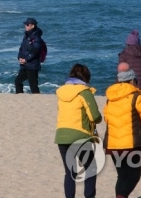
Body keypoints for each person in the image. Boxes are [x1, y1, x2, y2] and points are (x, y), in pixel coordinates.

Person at [103, 65, 141, 198]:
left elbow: (106, 118)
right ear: (132, 80)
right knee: (134, 175)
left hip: (113, 143)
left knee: (122, 175)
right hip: (130, 143)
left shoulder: (110, 98)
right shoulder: (136, 96)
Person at [55, 63, 102, 198]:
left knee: (70, 171)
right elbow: (95, 116)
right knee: (90, 168)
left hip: (62, 135)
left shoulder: (61, 92)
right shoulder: (84, 92)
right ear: (86, 77)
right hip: (80, 136)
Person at [14, 17, 44, 94]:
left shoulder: (36, 37)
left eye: (27, 24)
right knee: (18, 81)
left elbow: (35, 51)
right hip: (24, 65)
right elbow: (21, 48)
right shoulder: (26, 35)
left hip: (32, 65)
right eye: (25, 24)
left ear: (32, 26)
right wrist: (19, 57)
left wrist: (26, 59)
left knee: (33, 86)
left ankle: (38, 100)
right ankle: (19, 97)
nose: (25, 26)